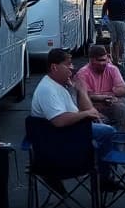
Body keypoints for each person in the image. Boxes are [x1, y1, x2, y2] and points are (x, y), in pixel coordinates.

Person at [30, 48, 117, 187]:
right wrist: (87, 114)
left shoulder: (61, 85)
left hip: (69, 133)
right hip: (60, 140)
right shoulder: (47, 89)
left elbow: (86, 109)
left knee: (108, 127)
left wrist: (80, 91)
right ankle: (104, 178)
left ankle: (106, 173)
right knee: (108, 132)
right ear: (54, 67)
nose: (72, 67)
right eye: (68, 64)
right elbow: (59, 121)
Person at [74, 45, 125, 127]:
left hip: (110, 103)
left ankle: (120, 136)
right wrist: (104, 97)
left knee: (121, 106)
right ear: (91, 60)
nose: (103, 63)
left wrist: (109, 96)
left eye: (105, 60)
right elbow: (85, 96)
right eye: (100, 60)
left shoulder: (112, 69)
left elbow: (124, 89)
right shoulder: (82, 74)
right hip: (92, 105)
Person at [101, 0, 125, 65]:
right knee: (121, 41)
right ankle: (119, 58)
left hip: (111, 21)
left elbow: (104, 7)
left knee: (114, 41)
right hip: (121, 21)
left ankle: (114, 59)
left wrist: (103, 17)